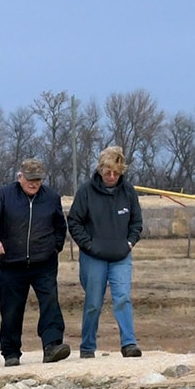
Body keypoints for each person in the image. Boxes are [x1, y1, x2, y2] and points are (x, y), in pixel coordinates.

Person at [0, 158, 69, 367]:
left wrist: (55, 248)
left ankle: (52, 346)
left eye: (38, 179)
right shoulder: (4, 196)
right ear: (20, 177)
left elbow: (59, 226)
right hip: (11, 264)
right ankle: (11, 353)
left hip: (44, 262)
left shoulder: (51, 197)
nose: (34, 183)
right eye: (30, 179)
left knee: (50, 303)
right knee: (11, 309)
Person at [66, 145, 144, 358]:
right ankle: (87, 347)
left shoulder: (128, 192)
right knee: (93, 302)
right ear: (100, 170)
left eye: (116, 173)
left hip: (121, 256)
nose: (111, 176)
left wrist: (129, 243)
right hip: (93, 257)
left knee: (122, 298)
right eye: (107, 172)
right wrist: (88, 245)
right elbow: (74, 221)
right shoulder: (86, 192)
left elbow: (136, 222)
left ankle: (129, 343)